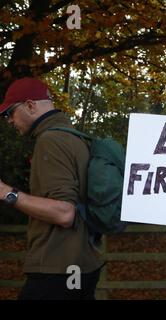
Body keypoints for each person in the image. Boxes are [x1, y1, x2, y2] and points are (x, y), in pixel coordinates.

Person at [0, 77, 103, 300]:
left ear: (30, 105)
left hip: (57, 268)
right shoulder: (74, 136)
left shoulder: (51, 140)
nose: (9, 120)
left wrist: (7, 192)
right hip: (81, 264)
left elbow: (65, 212)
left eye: (10, 113)